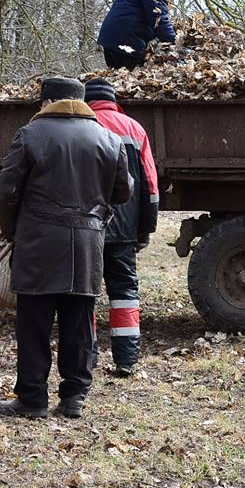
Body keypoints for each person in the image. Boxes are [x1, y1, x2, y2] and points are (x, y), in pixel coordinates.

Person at [0, 77, 132, 419]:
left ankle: (33, 399)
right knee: (79, 322)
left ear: (46, 103)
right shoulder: (110, 140)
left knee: (34, 325)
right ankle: (74, 397)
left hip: (38, 243)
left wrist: (13, 231)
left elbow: (7, 192)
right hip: (87, 244)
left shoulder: (30, 135)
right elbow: (123, 191)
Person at [84, 77, 159, 376]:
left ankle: (86, 358)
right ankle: (126, 360)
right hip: (125, 228)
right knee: (125, 291)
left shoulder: (83, 126)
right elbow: (150, 184)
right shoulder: (135, 129)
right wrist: (145, 228)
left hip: (88, 227)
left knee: (85, 293)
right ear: (113, 100)